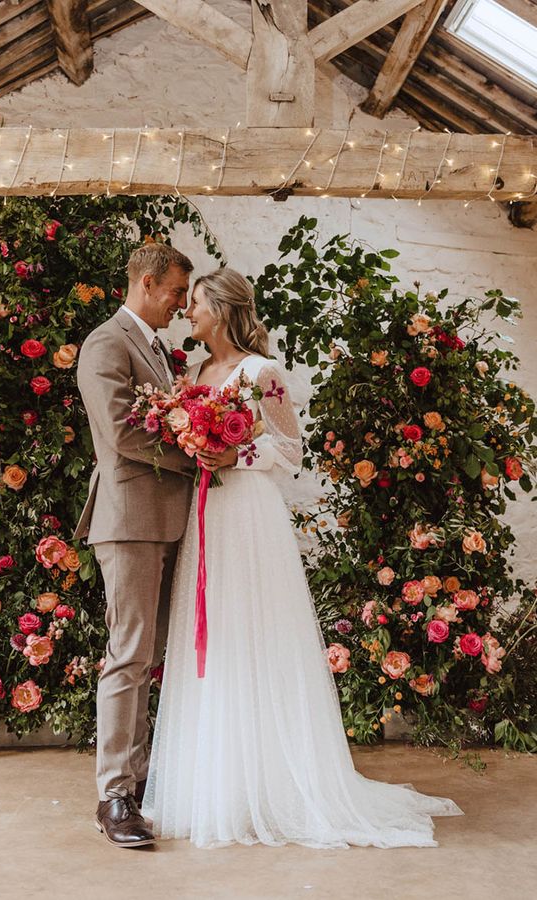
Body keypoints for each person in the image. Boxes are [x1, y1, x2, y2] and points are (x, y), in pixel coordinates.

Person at [142, 267, 463, 849]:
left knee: (255, 631)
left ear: (222, 309)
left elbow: (290, 450)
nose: (188, 311)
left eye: (197, 303)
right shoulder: (195, 372)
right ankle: (218, 782)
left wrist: (234, 457)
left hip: (247, 514)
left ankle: (273, 781)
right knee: (216, 635)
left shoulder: (261, 373)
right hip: (207, 513)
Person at [74, 242, 195, 848]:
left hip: (170, 519)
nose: (182, 305)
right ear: (147, 283)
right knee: (128, 655)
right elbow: (122, 432)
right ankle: (114, 796)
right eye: (176, 292)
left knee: (151, 655)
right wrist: (197, 452)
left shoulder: (157, 350)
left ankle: (141, 779)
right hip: (128, 521)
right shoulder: (106, 343)